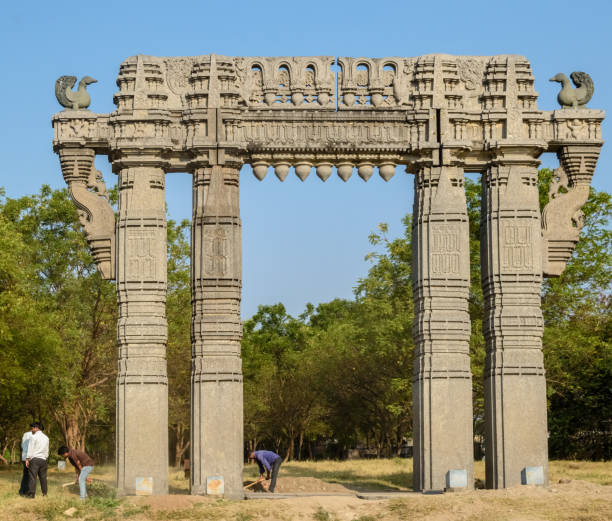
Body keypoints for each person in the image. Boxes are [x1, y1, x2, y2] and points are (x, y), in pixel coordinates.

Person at [25, 422, 49, 498]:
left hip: (35, 460)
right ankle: (45, 493)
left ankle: (31, 494)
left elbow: (30, 448)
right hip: (43, 460)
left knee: (32, 477)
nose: (31, 430)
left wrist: (27, 459)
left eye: (32, 428)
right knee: (43, 477)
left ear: (36, 428)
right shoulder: (46, 438)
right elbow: (47, 450)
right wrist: (45, 457)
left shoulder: (33, 437)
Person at [18, 428, 33, 496]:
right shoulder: (32, 435)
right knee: (30, 475)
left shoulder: (25, 434)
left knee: (26, 475)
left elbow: (22, 445)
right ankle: (27, 491)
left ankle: (22, 491)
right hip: (29, 457)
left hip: (24, 457)